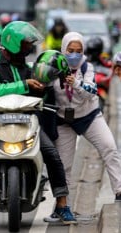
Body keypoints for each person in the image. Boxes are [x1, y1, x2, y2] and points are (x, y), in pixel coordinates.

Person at [0, 21, 77, 228]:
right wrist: (24, 85)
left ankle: (63, 205)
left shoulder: (29, 68)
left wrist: (45, 83)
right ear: (13, 43)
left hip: (28, 120)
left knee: (52, 156)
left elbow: (39, 93)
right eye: (26, 44)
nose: (29, 48)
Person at [51, 31, 121, 202]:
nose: (74, 55)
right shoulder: (52, 65)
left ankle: (119, 190)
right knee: (64, 165)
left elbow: (89, 93)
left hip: (88, 115)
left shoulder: (86, 67)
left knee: (110, 149)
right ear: (63, 49)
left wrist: (75, 83)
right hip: (63, 119)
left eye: (78, 51)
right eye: (70, 50)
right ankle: (62, 205)